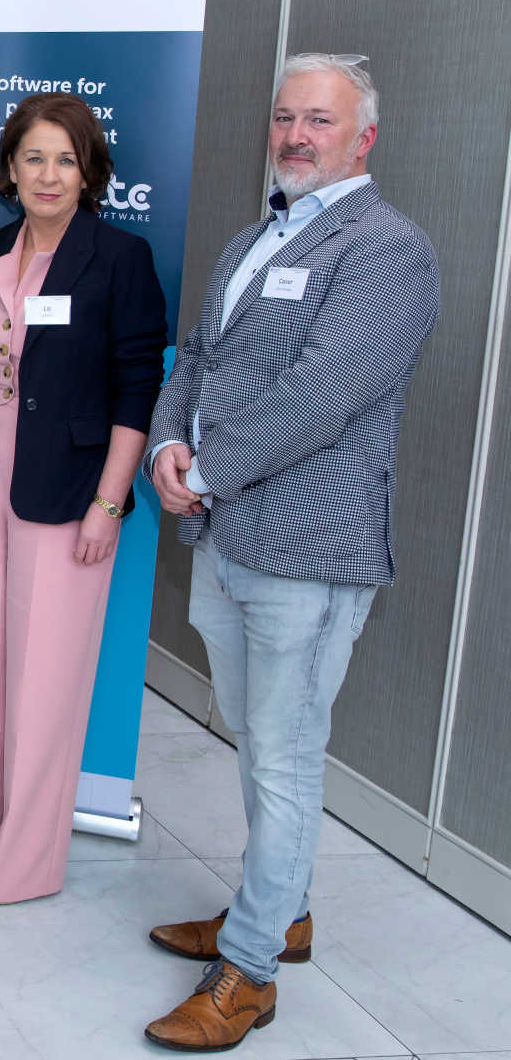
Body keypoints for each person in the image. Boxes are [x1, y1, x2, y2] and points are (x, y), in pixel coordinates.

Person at [140, 54, 439, 1052]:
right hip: (229, 534)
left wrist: (207, 468)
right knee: (262, 744)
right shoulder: (254, 239)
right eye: (284, 117)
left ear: (364, 138)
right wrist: (167, 444)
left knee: (285, 756)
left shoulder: (388, 249)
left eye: (319, 119)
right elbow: (197, 358)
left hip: (308, 549)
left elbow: (322, 393)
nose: (296, 135)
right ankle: (280, 913)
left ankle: (251, 970)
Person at [0, 93, 167, 903]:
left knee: (44, 682)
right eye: (34, 157)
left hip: (68, 494)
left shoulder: (119, 257)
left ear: (89, 172)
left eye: (67, 159)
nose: (49, 174)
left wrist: (110, 502)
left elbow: (138, 387)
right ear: (10, 167)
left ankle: (25, 861)